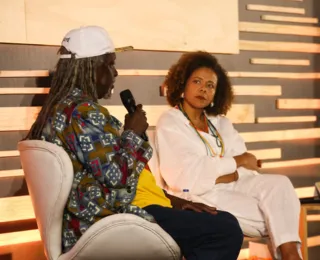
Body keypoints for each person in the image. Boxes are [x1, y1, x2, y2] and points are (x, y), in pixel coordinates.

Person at [25, 26, 243, 259]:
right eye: (109, 64)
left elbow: (115, 175)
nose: (115, 73)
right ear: (90, 67)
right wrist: (132, 132)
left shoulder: (61, 110)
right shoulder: (82, 113)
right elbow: (116, 177)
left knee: (218, 220)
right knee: (225, 229)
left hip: (116, 209)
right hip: (112, 218)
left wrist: (173, 201)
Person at [155, 51, 302, 260]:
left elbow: (247, 169)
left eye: (210, 85)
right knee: (277, 216)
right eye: (197, 81)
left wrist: (224, 172)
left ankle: (292, 255)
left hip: (235, 184)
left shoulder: (221, 122)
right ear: (183, 84)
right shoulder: (171, 122)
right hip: (201, 195)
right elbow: (187, 177)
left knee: (280, 185)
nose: (203, 89)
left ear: (217, 92)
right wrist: (235, 163)